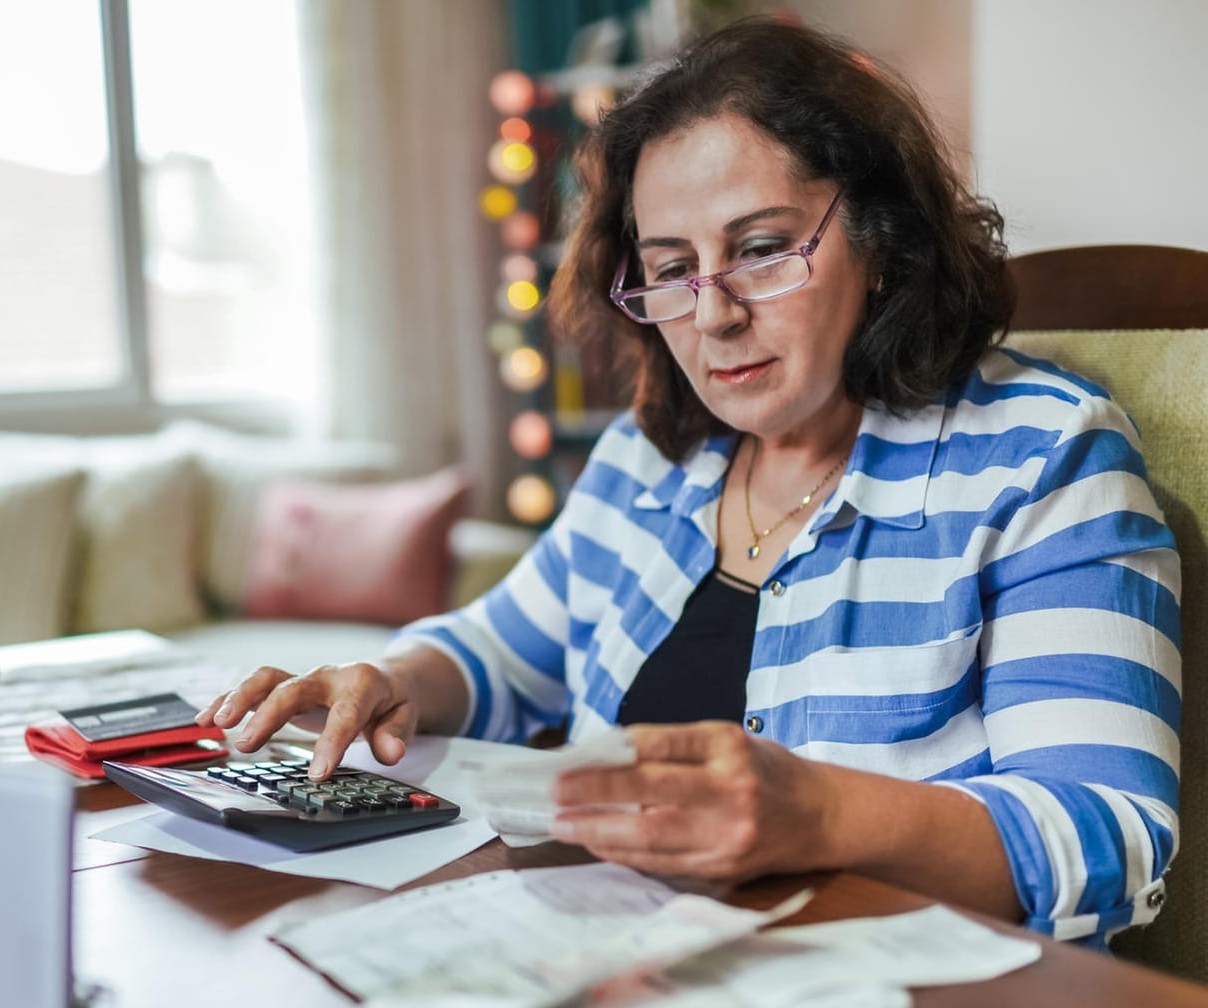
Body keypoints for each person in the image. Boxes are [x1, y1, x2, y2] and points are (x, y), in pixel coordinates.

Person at [195, 18, 1181, 945]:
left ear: (882, 242)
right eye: (672, 266)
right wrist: (392, 680)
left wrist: (821, 811)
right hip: (624, 967)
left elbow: (1107, 831)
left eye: (759, 250)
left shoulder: (1044, 460)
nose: (713, 315)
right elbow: (504, 648)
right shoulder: (652, 453)